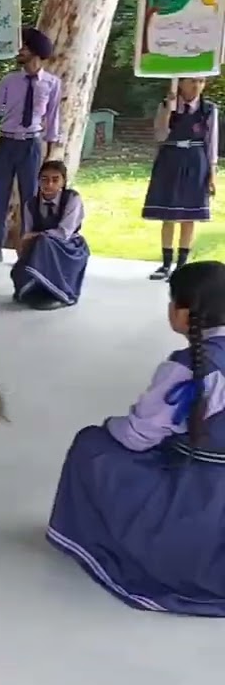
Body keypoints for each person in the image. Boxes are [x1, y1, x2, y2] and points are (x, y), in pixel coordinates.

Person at [47, 261, 225, 616]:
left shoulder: (191, 367)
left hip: (204, 496)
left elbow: (137, 436)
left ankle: (115, 544)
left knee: (93, 446)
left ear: (183, 312)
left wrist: (109, 425)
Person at [0, 26, 62, 265]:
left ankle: (27, 248)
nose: (19, 51)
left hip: (32, 144)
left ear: (35, 52)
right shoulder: (9, 81)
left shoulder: (52, 84)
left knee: (30, 198)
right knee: (0, 196)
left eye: (23, 47)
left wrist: (52, 150)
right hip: (7, 142)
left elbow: (53, 117)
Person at [142, 77, 216, 281]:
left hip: (195, 160)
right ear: (180, 83)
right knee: (168, 213)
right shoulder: (167, 105)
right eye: (192, 81)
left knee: (189, 215)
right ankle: (166, 263)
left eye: (201, 81)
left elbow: (211, 143)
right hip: (171, 158)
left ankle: (182, 265)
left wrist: (212, 173)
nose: (197, 85)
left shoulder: (208, 109)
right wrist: (168, 110)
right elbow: (160, 135)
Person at [11, 160, 90, 310]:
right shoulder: (31, 204)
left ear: (63, 181)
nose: (49, 184)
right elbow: (28, 233)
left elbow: (64, 232)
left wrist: (37, 236)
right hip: (40, 247)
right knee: (20, 270)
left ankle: (57, 293)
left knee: (43, 242)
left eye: (55, 180)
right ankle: (36, 288)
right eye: (44, 179)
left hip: (68, 248)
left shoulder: (72, 199)